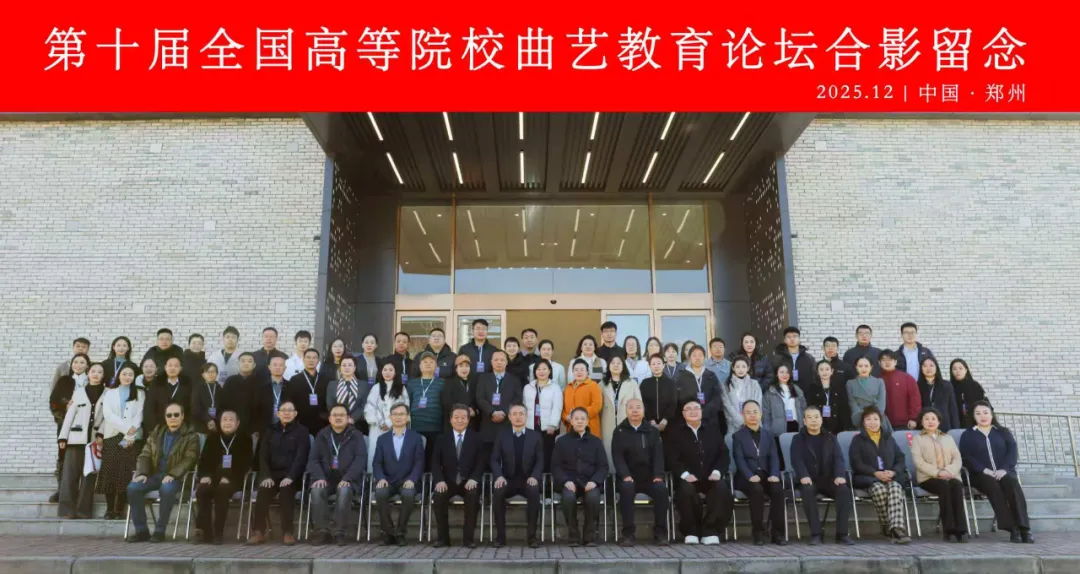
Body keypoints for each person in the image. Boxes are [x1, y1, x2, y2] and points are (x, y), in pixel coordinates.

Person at [959, 400, 1032, 543]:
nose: (982, 416)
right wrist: (983, 469)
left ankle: (1024, 528)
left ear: (992, 414)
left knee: (1012, 483)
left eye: (985, 412)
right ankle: (1012, 528)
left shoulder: (1003, 432)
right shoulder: (968, 434)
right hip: (979, 475)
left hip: (1003, 472)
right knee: (992, 485)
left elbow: (1012, 452)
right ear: (973, 416)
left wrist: (1004, 469)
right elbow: (966, 456)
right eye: (978, 413)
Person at [125, 401, 199, 543]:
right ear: (165, 417)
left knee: (166, 489)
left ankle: (160, 530)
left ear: (182, 416)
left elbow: (190, 458)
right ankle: (141, 531)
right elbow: (145, 454)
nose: (173, 418)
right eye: (169, 415)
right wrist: (142, 473)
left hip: (178, 478)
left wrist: (173, 474)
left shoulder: (191, 436)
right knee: (133, 488)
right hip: (155, 475)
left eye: (176, 414)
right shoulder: (157, 433)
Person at [669, 399, 733, 545]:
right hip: (688, 478)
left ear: (701, 411)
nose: (693, 411)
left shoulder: (713, 430)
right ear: (683, 413)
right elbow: (672, 458)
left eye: (696, 408)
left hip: (710, 477)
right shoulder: (675, 433)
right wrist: (685, 474)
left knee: (721, 488)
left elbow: (724, 455)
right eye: (688, 409)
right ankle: (692, 530)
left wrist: (717, 472)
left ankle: (710, 530)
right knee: (685, 490)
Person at [789, 405, 855, 545]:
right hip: (808, 479)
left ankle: (842, 534)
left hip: (828, 479)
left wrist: (839, 475)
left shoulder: (831, 438)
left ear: (821, 419)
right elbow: (796, 460)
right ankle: (816, 534)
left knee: (844, 490)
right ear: (804, 421)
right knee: (807, 491)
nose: (813, 420)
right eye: (810, 417)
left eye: (816, 417)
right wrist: (803, 475)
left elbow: (838, 458)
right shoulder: (798, 439)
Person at [248, 400, 310, 546]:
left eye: (290, 410)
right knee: (263, 491)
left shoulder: (302, 431)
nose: (287, 413)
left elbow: (301, 457)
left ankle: (288, 532)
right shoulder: (269, 430)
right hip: (272, 474)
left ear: (295, 413)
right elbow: (262, 456)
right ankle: (258, 532)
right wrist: (266, 475)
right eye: (283, 410)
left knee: (286, 491)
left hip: (292, 475)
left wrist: (290, 477)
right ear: (278, 413)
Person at [848, 406, 911, 544]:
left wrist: (893, 472)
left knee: (895, 488)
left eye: (875, 419)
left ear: (880, 421)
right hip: (868, 477)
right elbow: (856, 463)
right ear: (863, 422)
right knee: (879, 490)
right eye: (868, 419)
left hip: (890, 476)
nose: (872, 422)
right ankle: (888, 526)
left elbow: (900, 459)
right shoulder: (857, 440)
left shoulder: (888, 438)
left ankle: (897, 529)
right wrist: (875, 473)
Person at [611, 398, 669, 546]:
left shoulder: (652, 431)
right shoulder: (619, 432)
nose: (635, 410)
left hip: (649, 478)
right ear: (626, 411)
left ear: (643, 411)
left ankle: (660, 533)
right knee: (626, 489)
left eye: (638, 407)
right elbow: (617, 456)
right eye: (631, 407)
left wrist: (658, 475)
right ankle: (628, 534)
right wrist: (625, 475)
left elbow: (658, 455)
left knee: (661, 490)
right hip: (629, 477)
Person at [308, 404, 368, 545]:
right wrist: (319, 477)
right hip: (326, 478)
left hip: (349, 478)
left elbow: (360, 459)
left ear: (348, 418)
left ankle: (339, 532)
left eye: (342, 415)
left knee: (344, 490)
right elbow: (313, 460)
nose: (338, 418)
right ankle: (322, 531)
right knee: (316, 490)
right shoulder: (322, 435)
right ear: (329, 419)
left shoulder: (356, 435)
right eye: (335, 415)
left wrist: (348, 478)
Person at [731, 400, 786, 546]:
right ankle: (758, 532)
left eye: (755, 412)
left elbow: (774, 457)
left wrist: (774, 474)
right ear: (743, 415)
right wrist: (750, 476)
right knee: (756, 489)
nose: (752, 415)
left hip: (766, 475)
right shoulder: (738, 436)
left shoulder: (769, 435)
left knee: (777, 490)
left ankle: (777, 533)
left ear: (761, 414)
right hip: (745, 477)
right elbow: (739, 459)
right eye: (748, 412)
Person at [910, 407, 969, 543]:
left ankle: (962, 529)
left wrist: (949, 471)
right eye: (926, 419)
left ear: (939, 421)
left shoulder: (948, 438)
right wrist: (938, 472)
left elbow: (957, 458)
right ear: (921, 422)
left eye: (933, 419)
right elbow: (918, 462)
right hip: (928, 478)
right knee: (944, 486)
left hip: (950, 475)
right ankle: (950, 530)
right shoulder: (917, 439)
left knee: (957, 486)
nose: (930, 421)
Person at [194, 410, 253, 544]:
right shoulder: (212, 438)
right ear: (219, 423)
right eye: (224, 420)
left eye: (231, 420)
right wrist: (205, 476)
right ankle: (205, 532)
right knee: (202, 490)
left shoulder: (245, 439)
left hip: (234, 478)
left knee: (222, 490)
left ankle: (218, 532)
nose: (227, 422)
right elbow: (203, 461)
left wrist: (228, 476)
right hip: (213, 477)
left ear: (237, 423)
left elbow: (245, 463)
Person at [552, 407, 608, 547]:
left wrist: (594, 481)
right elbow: (555, 466)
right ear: (571, 421)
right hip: (569, 482)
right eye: (576, 418)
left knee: (593, 497)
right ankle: (574, 535)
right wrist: (565, 481)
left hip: (590, 481)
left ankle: (590, 536)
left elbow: (603, 466)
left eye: (583, 419)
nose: (579, 421)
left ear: (587, 421)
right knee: (568, 497)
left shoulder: (596, 441)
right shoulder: (562, 441)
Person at [430, 404, 484, 548]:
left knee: (473, 496)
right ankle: (443, 538)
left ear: (468, 420)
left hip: (468, 481)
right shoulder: (442, 438)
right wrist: (439, 480)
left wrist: (474, 478)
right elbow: (435, 462)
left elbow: (481, 462)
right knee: (439, 496)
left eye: (463, 417)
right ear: (450, 419)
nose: (459, 420)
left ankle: (468, 539)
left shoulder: (476, 438)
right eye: (456, 417)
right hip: (448, 481)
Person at [56, 361, 105, 519]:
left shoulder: (108, 393)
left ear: (103, 376)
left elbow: (107, 417)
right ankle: (67, 510)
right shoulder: (78, 392)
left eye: (100, 372)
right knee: (69, 476)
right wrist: (63, 437)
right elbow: (70, 415)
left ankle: (83, 511)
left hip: (94, 441)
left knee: (89, 476)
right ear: (88, 373)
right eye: (93, 371)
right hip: (75, 439)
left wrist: (101, 433)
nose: (96, 374)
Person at [491, 403, 544, 548]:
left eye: (521, 414)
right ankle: (500, 537)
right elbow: (494, 459)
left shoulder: (535, 436)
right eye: (514, 414)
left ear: (526, 416)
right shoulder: (502, 435)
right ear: (509, 417)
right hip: (508, 479)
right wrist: (499, 476)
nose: (518, 417)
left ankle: (532, 537)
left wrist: (534, 476)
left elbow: (540, 460)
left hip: (528, 479)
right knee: (498, 491)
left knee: (534, 491)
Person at [96, 364, 145, 519]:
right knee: (110, 473)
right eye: (124, 374)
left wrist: (130, 433)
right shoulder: (110, 393)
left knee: (125, 474)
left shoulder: (140, 393)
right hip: (112, 436)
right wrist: (126, 429)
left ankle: (119, 509)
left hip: (131, 438)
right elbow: (108, 414)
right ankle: (109, 509)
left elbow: (139, 415)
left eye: (130, 374)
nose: (127, 377)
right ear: (119, 376)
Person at [373, 404, 425, 546]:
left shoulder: (416, 438)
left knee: (408, 494)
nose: (398, 417)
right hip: (388, 481)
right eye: (395, 414)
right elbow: (377, 463)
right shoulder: (382, 439)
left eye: (402, 414)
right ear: (390, 417)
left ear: (408, 417)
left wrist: (412, 479)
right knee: (380, 492)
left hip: (407, 481)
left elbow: (419, 462)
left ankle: (400, 532)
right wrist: (381, 478)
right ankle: (388, 532)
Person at [49, 353, 89, 503]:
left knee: (84, 457)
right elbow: (53, 402)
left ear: (87, 365)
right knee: (63, 456)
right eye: (75, 362)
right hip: (66, 424)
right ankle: (62, 490)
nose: (78, 365)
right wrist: (64, 408)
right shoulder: (65, 380)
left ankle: (82, 492)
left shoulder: (91, 380)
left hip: (86, 425)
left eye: (82, 362)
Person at [476, 350, 522, 471]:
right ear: (491, 362)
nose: (499, 362)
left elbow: (517, 399)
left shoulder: (514, 380)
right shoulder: (483, 378)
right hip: (488, 423)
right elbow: (480, 398)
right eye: (496, 360)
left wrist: (505, 412)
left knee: (506, 456)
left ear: (507, 362)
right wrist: (492, 412)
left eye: (502, 360)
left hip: (507, 423)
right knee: (487, 456)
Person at [364, 362, 410, 471]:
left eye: (390, 370)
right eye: (385, 370)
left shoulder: (401, 389)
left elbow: (405, 408)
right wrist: (381, 422)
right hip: (377, 428)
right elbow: (370, 407)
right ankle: (374, 478)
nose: (387, 372)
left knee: (394, 453)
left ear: (395, 372)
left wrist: (389, 423)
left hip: (396, 427)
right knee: (376, 453)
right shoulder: (376, 388)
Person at [601, 356, 642, 469]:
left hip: (627, 421)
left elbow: (639, 403)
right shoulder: (602, 384)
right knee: (608, 449)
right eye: (612, 363)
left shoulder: (631, 383)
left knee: (627, 450)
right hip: (607, 422)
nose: (616, 365)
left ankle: (626, 476)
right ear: (608, 366)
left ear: (623, 366)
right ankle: (610, 476)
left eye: (619, 363)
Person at [523, 358, 562, 471]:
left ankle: (546, 478)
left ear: (549, 371)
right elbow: (524, 406)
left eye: (544, 369)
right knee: (531, 454)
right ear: (535, 371)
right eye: (538, 369)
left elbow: (557, 407)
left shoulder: (555, 387)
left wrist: (553, 425)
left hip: (547, 428)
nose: (541, 371)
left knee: (546, 454)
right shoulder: (528, 387)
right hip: (531, 426)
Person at [762, 364, 807, 464]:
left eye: (787, 372)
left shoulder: (796, 389)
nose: (784, 375)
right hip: (778, 428)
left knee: (796, 454)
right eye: (781, 372)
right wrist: (767, 431)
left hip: (795, 425)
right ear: (776, 374)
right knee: (781, 455)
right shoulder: (770, 392)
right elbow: (766, 414)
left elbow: (803, 408)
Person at [408, 351, 445, 470]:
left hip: (435, 427)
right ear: (420, 366)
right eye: (425, 362)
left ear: (436, 366)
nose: (428, 364)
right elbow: (408, 403)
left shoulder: (442, 383)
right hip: (416, 426)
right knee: (417, 459)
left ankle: (431, 481)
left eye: (431, 362)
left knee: (433, 459)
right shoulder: (412, 383)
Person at [676, 345, 724, 432]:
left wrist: (704, 412)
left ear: (704, 358)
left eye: (700, 355)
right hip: (689, 420)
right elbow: (679, 398)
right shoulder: (682, 376)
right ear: (689, 358)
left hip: (710, 420)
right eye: (694, 355)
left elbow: (717, 397)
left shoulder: (711, 375)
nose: (697, 358)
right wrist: (693, 411)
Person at [143, 356, 191, 436]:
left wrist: (186, 426)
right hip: (160, 427)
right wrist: (152, 428)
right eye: (170, 365)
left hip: (181, 428)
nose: (172, 368)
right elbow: (149, 406)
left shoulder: (187, 384)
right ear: (165, 367)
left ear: (180, 368)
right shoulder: (157, 383)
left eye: (176, 366)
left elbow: (190, 406)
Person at [287, 348, 330, 436]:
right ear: (303, 360)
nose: (311, 360)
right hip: (301, 422)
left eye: (314, 358)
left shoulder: (326, 379)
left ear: (318, 361)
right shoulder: (295, 380)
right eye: (308, 357)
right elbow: (291, 401)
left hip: (322, 422)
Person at [879, 350, 922, 431]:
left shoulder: (907, 378)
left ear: (895, 362)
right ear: (879, 363)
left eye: (890, 359)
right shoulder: (876, 379)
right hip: (882, 424)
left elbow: (915, 399)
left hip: (904, 423)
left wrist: (913, 418)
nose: (887, 362)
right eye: (884, 360)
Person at [219, 352, 260, 435]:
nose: (246, 363)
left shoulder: (260, 382)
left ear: (254, 365)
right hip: (233, 424)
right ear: (238, 364)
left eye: (249, 361)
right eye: (243, 361)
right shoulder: (230, 381)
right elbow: (223, 404)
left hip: (253, 426)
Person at [806, 359, 850, 434]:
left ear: (832, 371)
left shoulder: (839, 387)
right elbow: (810, 407)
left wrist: (846, 426)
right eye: (821, 369)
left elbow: (845, 408)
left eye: (827, 369)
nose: (824, 372)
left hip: (838, 426)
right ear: (817, 372)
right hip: (819, 426)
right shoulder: (812, 388)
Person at [639, 354, 677, 440]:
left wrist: (665, 419)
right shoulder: (645, 383)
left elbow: (673, 402)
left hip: (668, 424)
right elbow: (643, 402)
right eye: (653, 364)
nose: (656, 366)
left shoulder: (671, 383)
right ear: (649, 366)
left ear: (664, 365)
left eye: (659, 363)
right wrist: (651, 420)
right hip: (649, 424)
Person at [847, 356, 890, 432]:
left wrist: (873, 418)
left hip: (877, 419)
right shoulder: (850, 383)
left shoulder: (879, 382)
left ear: (871, 367)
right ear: (856, 367)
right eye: (860, 366)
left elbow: (881, 403)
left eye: (866, 366)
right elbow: (852, 403)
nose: (863, 369)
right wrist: (864, 417)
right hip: (861, 419)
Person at [326, 356, 368, 433]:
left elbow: (363, 404)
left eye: (350, 365)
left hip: (357, 424)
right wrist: (340, 418)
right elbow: (330, 404)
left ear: (354, 367)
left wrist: (352, 418)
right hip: (337, 423)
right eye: (344, 365)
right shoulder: (332, 384)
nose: (347, 367)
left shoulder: (364, 385)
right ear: (340, 368)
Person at [721, 356, 763, 433]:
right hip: (734, 424)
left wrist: (749, 419)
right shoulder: (726, 385)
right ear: (733, 368)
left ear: (748, 368)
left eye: (743, 367)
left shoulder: (754, 384)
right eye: (737, 367)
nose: (741, 369)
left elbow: (757, 403)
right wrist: (740, 421)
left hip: (753, 422)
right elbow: (727, 405)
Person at [916, 358, 960, 432]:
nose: (928, 368)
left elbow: (953, 408)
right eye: (925, 366)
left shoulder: (946, 385)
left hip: (944, 424)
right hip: (925, 425)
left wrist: (956, 428)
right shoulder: (916, 386)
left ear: (936, 367)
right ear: (921, 368)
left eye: (931, 365)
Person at [563, 359, 602, 437]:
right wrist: (566, 417)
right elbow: (562, 408)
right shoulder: (568, 388)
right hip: (571, 428)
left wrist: (580, 417)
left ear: (587, 372)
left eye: (582, 370)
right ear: (573, 372)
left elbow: (597, 405)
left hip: (589, 427)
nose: (579, 372)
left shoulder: (593, 385)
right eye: (576, 370)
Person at [773, 327, 817, 395]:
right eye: (789, 337)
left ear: (799, 339)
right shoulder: (778, 358)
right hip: (784, 393)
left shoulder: (809, 358)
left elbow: (814, 376)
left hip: (805, 393)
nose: (792, 339)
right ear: (785, 340)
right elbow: (773, 376)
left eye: (795, 336)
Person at [253, 356, 290, 431]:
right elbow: (255, 409)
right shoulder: (260, 387)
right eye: (275, 365)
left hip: (287, 428)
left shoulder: (291, 386)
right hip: (265, 428)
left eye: (281, 365)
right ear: (269, 367)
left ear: (285, 368)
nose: (278, 367)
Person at [443, 355, 478, 431]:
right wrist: (464, 410)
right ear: (456, 368)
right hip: (455, 423)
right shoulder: (449, 383)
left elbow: (477, 400)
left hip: (471, 424)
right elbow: (446, 402)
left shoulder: (474, 383)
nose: (464, 369)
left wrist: (474, 410)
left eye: (467, 366)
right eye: (461, 366)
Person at [950, 359, 988, 428]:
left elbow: (983, 404)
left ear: (966, 370)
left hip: (974, 423)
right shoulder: (949, 387)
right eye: (954, 369)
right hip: (955, 424)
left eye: (960, 368)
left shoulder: (975, 386)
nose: (957, 371)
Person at [191, 363, 222, 437]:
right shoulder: (198, 388)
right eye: (207, 372)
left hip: (217, 426)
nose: (210, 374)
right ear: (203, 375)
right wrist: (208, 420)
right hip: (201, 425)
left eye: (213, 371)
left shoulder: (220, 389)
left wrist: (216, 422)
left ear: (217, 373)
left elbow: (223, 407)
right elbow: (195, 408)